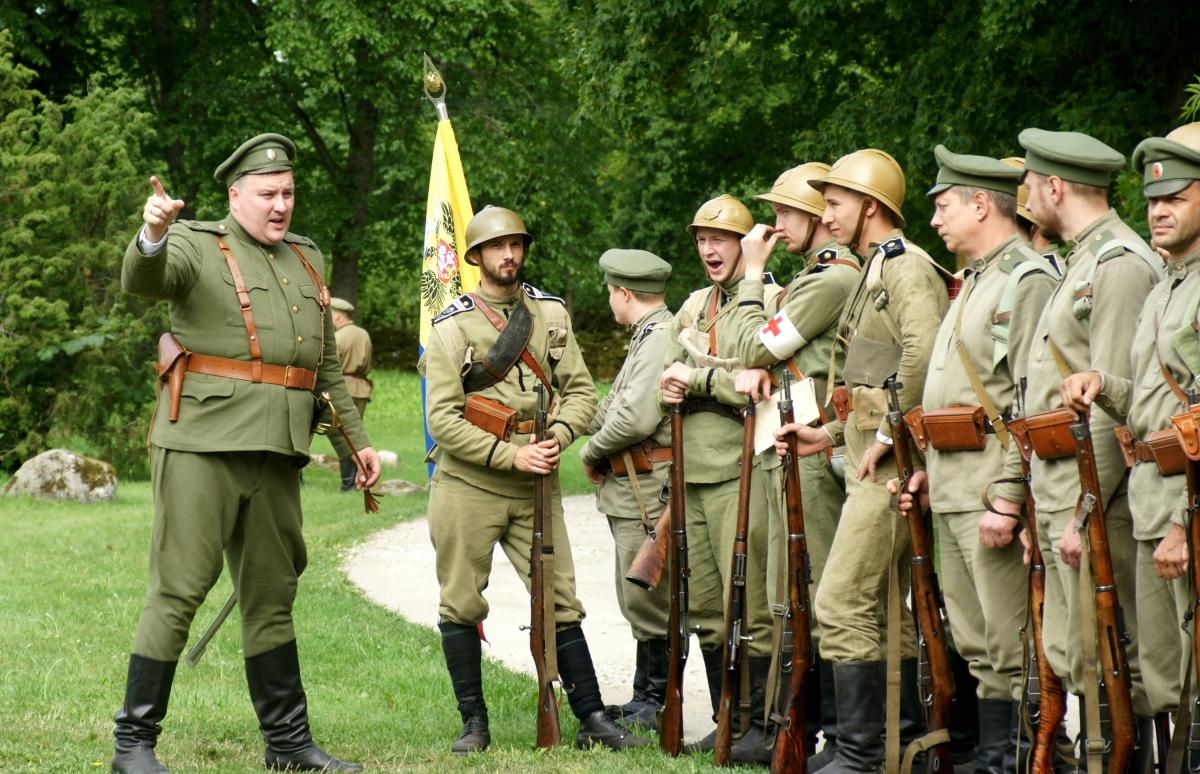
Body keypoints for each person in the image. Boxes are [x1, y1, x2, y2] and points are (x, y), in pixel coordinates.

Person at [113, 133, 381, 774]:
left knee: (271, 594)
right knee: (179, 590)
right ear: (236, 196)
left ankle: (288, 745)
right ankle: (133, 746)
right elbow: (145, 279)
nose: (280, 204)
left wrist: (359, 443)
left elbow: (324, 369)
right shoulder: (195, 245)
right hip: (204, 445)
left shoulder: (307, 260)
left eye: (287, 192)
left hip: (278, 450)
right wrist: (151, 233)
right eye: (267, 193)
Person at [422, 205, 647, 754]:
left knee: (561, 600)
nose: (509, 255)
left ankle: (591, 716)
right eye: (497, 247)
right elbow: (442, 421)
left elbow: (582, 393)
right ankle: (474, 723)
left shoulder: (549, 314)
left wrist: (559, 437)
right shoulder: (452, 326)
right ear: (475, 257)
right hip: (468, 486)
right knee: (461, 601)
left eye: (516, 244)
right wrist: (509, 456)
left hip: (537, 483)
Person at [775, 148, 949, 774]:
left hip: (892, 465)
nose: (827, 213)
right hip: (872, 458)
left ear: (870, 207)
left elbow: (923, 356)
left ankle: (860, 753)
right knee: (878, 608)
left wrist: (887, 435)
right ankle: (888, 746)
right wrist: (829, 432)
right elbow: (871, 374)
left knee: (841, 602)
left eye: (836, 202)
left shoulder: (904, 268)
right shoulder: (875, 267)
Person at [1016, 128, 1162, 768]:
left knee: (1115, 656)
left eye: (1027, 184)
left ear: (1053, 186)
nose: (1023, 197)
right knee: (1079, 656)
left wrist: (1083, 510)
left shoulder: (1119, 264)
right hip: (1063, 488)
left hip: (1099, 499)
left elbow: (1114, 402)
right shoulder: (1079, 260)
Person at [1058, 122, 1200, 733]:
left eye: (1177, 198)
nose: (1159, 211)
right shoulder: (1169, 283)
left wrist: (1185, 527)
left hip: (1183, 504)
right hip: (1152, 498)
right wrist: (1104, 387)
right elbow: (1152, 399)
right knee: (1166, 679)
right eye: (1152, 200)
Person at [921, 146, 1058, 772]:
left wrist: (1009, 494)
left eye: (944, 206)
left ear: (982, 204)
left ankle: (1025, 759)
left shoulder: (1024, 280)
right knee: (975, 643)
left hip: (989, 489)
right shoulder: (974, 280)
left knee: (1010, 642)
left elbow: (1031, 398)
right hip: (953, 483)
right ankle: (999, 754)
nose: (935, 221)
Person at [725, 162, 860, 764]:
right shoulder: (811, 277)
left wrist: (752, 275)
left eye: (784, 213)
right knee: (788, 584)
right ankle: (796, 727)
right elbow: (747, 349)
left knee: (815, 584)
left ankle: (833, 735)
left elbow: (754, 344)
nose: (774, 226)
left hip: (813, 447)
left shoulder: (830, 278)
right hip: (791, 440)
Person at [658, 194, 778, 755]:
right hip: (694, 474)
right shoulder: (692, 306)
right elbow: (669, 375)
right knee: (706, 607)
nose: (709, 249)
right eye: (702, 239)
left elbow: (760, 379)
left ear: (744, 244)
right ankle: (727, 718)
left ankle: (763, 725)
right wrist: (680, 381)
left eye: (720, 239)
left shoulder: (769, 298)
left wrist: (702, 378)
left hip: (743, 469)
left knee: (749, 602)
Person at [578, 249, 674, 728]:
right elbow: (611, 407)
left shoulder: (657, 338)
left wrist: (589, 451)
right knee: (637, 594)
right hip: (635, 485)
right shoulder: (647, 336)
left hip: (647, 488)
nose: (608, 298)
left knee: (647, 596)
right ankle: (647, 697)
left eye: (609, 290)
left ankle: (656, 701)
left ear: (623, 292)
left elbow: (636, 417)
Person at [330, 297, 373, 491]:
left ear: (338, 317)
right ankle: (357, 478)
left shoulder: (336, 338)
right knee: (355, 435)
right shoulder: (363, 334)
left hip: (341, 387)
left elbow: (331, 367)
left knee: (341, 434)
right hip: (361, 387)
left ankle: (347, 483)